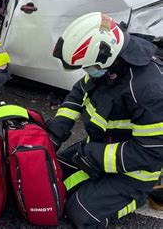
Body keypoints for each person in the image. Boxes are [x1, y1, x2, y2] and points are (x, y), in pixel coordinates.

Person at [48, 12, 163, 227]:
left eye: (88, 67)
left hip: (137, 171)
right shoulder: (111, 65)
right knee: (48, 176)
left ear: (105, 56)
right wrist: (55, 132)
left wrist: (93, 155)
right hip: (102, 149)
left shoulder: (148, 91)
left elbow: (150, 153)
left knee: (80, 213)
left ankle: (139, 196)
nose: (87, 71)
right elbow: (79, 91)